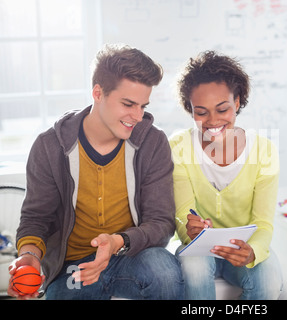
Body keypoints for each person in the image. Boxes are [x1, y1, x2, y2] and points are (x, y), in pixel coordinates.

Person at [7, 44, 184, 300]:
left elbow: (161, 222)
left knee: (166, 273)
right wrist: (29, 256)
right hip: (74, 266)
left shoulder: (152, 142)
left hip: (129, 255)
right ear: (98, 93)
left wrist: (117, 242)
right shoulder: (50, 146)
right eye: (128, 104)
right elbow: (36, 218)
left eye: (143, 106)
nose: (137, 116)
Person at [169, 51, 282, 300]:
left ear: (238, 102)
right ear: (190, 109)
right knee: (195, 267)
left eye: (222, 109)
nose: (213, 121)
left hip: (243, 248)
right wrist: (190, 230)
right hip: (198, 249)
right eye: (201, 112)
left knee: (270, 281)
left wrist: (253, 251)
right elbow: (181, 217)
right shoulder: (178, 147)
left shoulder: (264, 151)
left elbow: (263, 224)